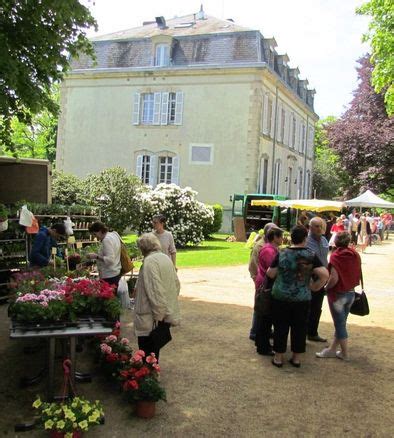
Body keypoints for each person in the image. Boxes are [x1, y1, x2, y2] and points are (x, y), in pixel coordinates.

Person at [267, 226, 329, 367]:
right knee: (299, 327)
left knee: (280, 326)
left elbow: (270, 273)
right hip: (302, 297)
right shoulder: (310, 255)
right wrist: (315, 287)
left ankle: (278, 358)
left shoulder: (282, 253)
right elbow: (324, 274)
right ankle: (296, 358)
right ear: (305, 239)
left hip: (281, 296)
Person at [134, 233, 181, 359]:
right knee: (154, 350)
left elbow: (154, 291)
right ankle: (151, 373)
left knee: (147, 350)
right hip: (160, 313)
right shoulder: (165, 258)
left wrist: (159, 315)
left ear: (143, 248)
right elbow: (176, 285)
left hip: (150, 315)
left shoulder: (149, 262)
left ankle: (149, 375)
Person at [316, 232, 361, 361]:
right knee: (340, 323)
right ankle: (332, 349)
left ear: (335, 242)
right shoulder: (355, 254)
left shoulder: (336, 256)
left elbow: (334, 278)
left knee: (340, 325)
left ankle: (345, 354)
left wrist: (325, 288)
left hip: (338, 295)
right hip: (351, 293)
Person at [254, 227, 283, 355]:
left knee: (266, 316)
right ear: (275, 237)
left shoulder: (272, 249)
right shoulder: (268, 250)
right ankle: (262, 346)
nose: (283, 239)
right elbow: (272, 270)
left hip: (267, 284)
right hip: (266, 286)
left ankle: (262, 342)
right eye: (281, 236)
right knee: (265, 316)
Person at [248, 222, 278, 341]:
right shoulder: (260, 246)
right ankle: (255, 331)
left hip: (268, 281)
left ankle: (264, 330)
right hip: (263, 282)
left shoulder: (271, 245)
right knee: (260, 307)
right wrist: (257, 279)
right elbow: (253, 265)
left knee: (266, 307)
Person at [306, 216, 329, 342]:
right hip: (309, 277)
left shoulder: (324, 240)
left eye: (321, 226)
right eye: (317, 226)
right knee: (306, 306)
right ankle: (303, 333)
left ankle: (313, 332)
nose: (320, 229)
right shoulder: (306, 241)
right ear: (310, 227)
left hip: (322, 277)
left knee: (317, 306)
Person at [88, 222, 122, 288]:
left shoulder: (106, 240)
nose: (95, 237)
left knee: (108, 296)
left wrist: (96, 256)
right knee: (113, 297)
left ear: (100, 231)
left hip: (109, 276)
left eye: (95, 234)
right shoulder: (114, 234)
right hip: (115, 272)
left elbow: (110, 260)